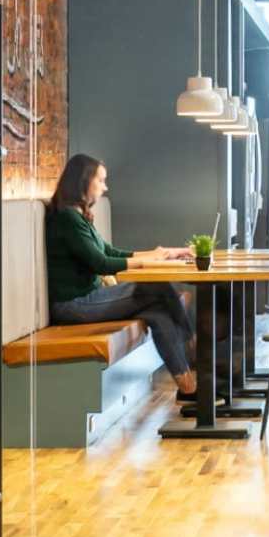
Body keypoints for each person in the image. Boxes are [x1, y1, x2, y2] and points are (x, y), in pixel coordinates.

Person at [42, 152, 201, 408]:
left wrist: (163, 253)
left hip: (88, 300)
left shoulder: (77, 216)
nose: (105, 187)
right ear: (84, 181)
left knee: (159, 314)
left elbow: (110, 252)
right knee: (159, 287)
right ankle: (195, 354)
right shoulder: (66, 218)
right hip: (74, 305)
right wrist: (152, 261)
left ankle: (188, 389)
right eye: (101, 180)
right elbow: (102, 264)